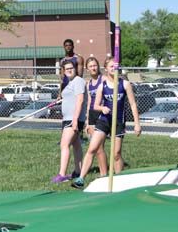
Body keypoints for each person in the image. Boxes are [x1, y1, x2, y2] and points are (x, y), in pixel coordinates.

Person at [72, 57, 141, 189]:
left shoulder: (124, 84)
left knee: (116, 154)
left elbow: (132, 104)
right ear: (106, 69)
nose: (114, 69)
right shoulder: (102, 87)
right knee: (92, 148)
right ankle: (81, 179)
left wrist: (137, 124)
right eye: (111, 67)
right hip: (104, 120)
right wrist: (102, 108)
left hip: (118, 122)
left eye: (116, 67)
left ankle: (119, 181)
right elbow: (95, 105)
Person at [52, 60, 86, 183]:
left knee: (64, 144)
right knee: (76, 145)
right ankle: (78, 171)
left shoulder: (78, 81)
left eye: (71, 68)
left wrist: (75, 120)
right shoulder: (70, 82)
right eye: (67, 69)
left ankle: (61, 175)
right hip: (68, 118)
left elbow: (80, 100)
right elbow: (69, 97)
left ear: (75, 68)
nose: (69, 70)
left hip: (73, 119)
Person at [82, 56, 108, 176]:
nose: (93, 68)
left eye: (95, 65)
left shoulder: (104, 79)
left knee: (99, 147)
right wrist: (87, 120)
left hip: (102, 114)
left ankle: (104, 174)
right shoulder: (89, 84)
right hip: (92, 115)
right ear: (87, 69)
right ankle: (102, 173)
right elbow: (88, 104)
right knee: (95, 147)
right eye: (91, 66)